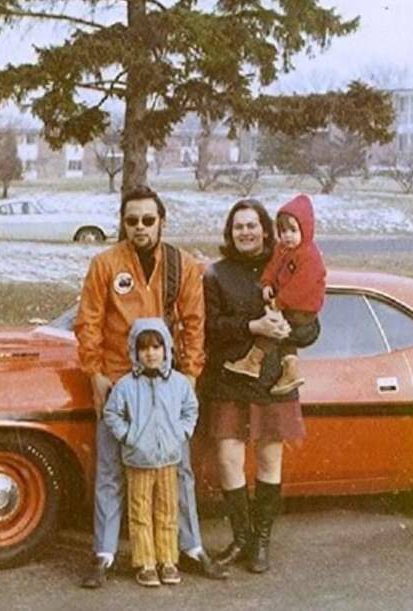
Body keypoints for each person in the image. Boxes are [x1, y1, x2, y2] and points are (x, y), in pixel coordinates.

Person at [75, 185, 228, 588]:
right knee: (110, 470)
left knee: (179, 470)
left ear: (161, 221)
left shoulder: (182, 265)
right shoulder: (105, 264)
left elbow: (194, 324)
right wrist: (95, 374)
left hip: (166, 383)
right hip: (119, 382)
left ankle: (190, 547)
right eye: (132, 221)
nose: (140, 227)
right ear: (123, 224)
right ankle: (104, 554)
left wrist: (189, 377)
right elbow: (88, 322)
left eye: (148, 219)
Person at [202, 199, 319, 574]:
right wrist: (252, 327)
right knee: (229, 461)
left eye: (252, 225)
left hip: (273, 382)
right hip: (229, 378)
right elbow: (210, 327)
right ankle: (241, 539)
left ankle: (261, 542)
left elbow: (311, 327)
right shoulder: (216, 274)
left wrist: (288, 330)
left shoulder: (287, 263)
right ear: (230, 232)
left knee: (270, 460)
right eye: (238, 226)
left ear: (266, 230)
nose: (246, 232)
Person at [102, 318, 198, 587]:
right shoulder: (125, 385)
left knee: (167, 511)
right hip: (138, 460)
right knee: (140, 512)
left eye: (157, 347)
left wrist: (180, 434)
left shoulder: (179, 383)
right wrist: (129, 436)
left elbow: (191, 409)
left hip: (169, 458)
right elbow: (111, 413)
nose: (151, 353)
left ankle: (168, 560)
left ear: (166, 349)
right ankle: (145, 563)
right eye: (143, 348)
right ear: (134, 351)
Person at [224, 194, 326, 395]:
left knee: (274, 325)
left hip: (303, 310)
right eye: (283, 231)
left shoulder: (309, 256)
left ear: (306, 229)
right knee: (284, 333)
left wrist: (279, 302)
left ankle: (253, 361)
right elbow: (272, 268)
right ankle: (291, 371)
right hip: (291, 307)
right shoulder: (282, 249)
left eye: (293, 230)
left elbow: (300, 286)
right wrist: (266, 284)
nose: (287, 236)